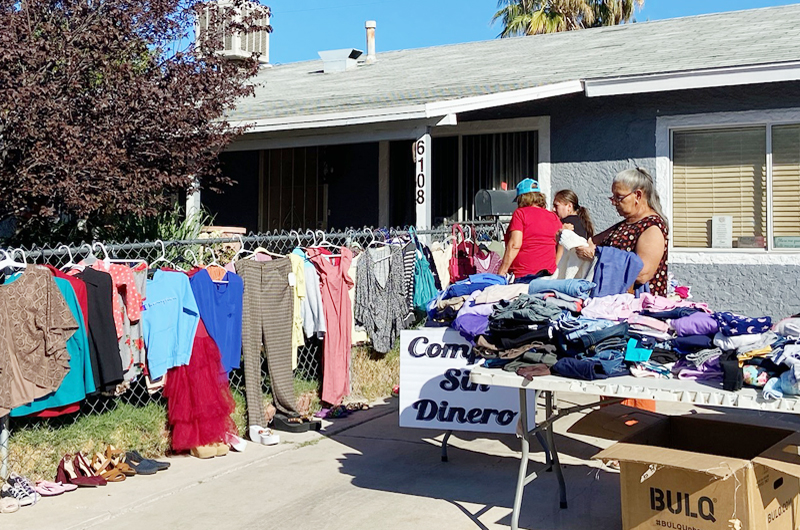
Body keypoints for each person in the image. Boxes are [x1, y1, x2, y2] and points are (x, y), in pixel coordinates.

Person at [576, 167, 669, 296]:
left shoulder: (652, 227)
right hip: (615, 301)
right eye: (612, 197)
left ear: (638, 195)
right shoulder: (626, 224)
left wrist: (597, 257)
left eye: (619, 197)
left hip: (638, 305)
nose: (614, 203)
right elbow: (592, 242)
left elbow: (643, 273)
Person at [497, 178, 562, 279]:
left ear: (522, 198)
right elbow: (560, 246)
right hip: (549, 276)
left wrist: (501, 272)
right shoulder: (553, 217)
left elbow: (514, 245)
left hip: (524, 275)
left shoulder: (520, 214)